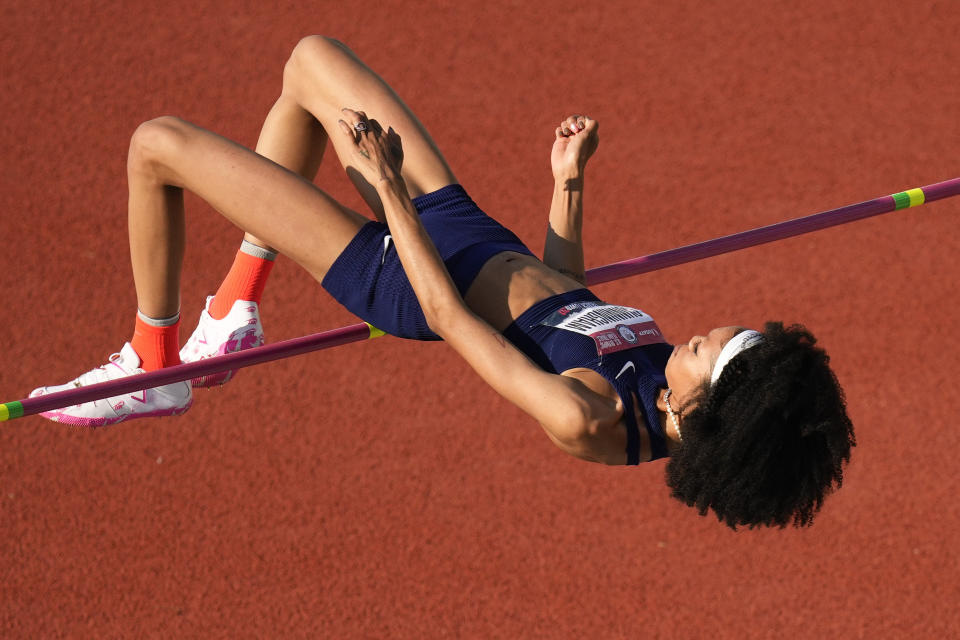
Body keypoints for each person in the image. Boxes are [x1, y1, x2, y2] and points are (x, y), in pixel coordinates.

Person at [29, 37, 854, 528]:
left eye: (718, 354)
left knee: (156, 145)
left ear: (706, 412)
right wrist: (567, 184)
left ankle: (152, 364)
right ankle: (235, 310)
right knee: (310, 64)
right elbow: (565, 301)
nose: (708, 335)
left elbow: (451, 320)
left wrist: (389, 193)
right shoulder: (662, 367)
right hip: (467, 228)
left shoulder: (587, 416)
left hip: (403, 269)